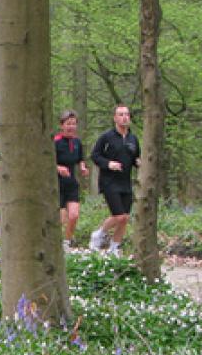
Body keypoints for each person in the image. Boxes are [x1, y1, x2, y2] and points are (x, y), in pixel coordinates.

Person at [89, 104, 141, 257]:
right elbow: (95, 155)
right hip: (109, 181)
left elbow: (135, 157)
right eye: (121, 114)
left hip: (125, 181)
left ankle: (114, 247)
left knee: (125, 218)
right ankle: (99, 234)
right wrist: (109, 164)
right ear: (115, 118)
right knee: (119, 216)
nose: (124, 117)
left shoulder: (133, 139)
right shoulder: (106, 137)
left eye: (127, 114)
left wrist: (138, 163)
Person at [55, 110, 89, 250]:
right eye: (68, 124)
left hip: (72, 183)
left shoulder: (77, 142)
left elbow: (80, 159)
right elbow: (46, 162)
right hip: (57, 184)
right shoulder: (55, 142)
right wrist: (58, 168)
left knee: (74, 215)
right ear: (61, 125)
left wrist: (82, 167)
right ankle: (55, 242)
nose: (71, 127)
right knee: (61, 218)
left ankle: (66, 242)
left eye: (74, 124)